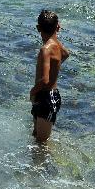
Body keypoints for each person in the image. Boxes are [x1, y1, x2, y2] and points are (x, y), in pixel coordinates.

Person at [29, 10, 69, 142]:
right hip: (49, 95)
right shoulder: (56, 43)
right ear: (58, 27)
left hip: (46, 97)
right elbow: (65, 54)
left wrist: (33, 91)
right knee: (36, 136)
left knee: (41, 142)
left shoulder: (45, 49)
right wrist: (55, 69)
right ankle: (36, 162)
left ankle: (46, 162)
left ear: (38, 28)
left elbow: (45, 80)